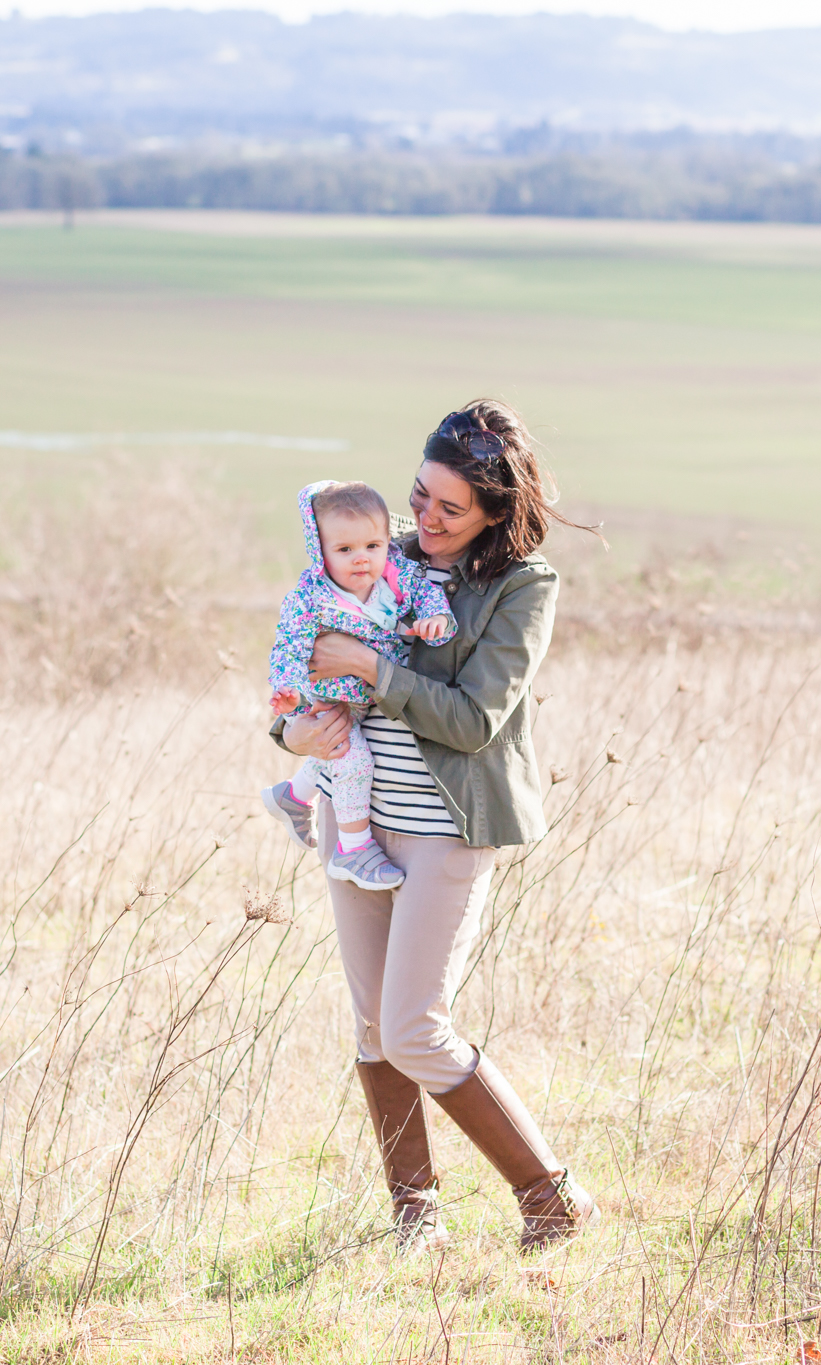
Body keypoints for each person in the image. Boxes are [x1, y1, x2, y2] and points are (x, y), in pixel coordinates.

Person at [272, 399, 598, 1254]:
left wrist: (373, 667)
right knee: (375, 1030)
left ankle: (552, 1196)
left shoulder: (523, 588)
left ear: (496, 510)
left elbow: (474, 719)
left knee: (415, 1023)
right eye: (419, 496)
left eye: (450, 508)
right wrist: (289, 731)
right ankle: (416, 1218)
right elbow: (303, 655)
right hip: (359, 825)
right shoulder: (380, 559)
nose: (424, 519)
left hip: (451, 832)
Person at [262, 480, 456, 891]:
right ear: (321, 551)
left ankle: (293, 798)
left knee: (336, 751)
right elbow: (290, 646)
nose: (362, 559)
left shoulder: (395, 575)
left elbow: (426, 593)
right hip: (326, 696)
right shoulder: (311, 597)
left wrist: (434, 619)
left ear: (387, 541)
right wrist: (288, 688)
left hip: (368, 691)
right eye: (345, 550)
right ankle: (353, 849)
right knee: (351, 758)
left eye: (372, 546)